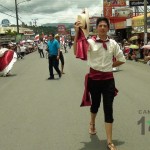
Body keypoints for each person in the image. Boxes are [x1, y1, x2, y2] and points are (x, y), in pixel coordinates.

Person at [74, 16, 126, 150]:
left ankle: (109, 141)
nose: (102, 28)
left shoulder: (113, 44)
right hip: (94, 80)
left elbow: (122, 59)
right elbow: (76, 51)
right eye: (100, 26)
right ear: (96, 28)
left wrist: (110, 65)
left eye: (105, 26)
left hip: (108, 80)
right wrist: (76, 34)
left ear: (108, 28)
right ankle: (92, 123)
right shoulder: (90, 43)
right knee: (95, 105)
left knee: (108, 109)